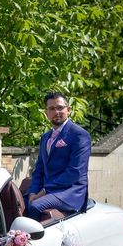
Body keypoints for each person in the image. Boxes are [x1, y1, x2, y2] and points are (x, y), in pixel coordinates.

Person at [24, 91, 91, 220]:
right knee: (16, 200)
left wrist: (43, 192)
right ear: (46, 113)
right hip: (50, 189)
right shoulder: (45, 137)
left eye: (60, 108)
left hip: (70, 191)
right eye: (52, 109)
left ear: (69, 110)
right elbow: (39, 170)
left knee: (35, 206)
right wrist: (33, 192)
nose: (56, 112)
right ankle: (14, 238)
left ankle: (32, 238)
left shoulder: (79, 135)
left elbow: (74, 172)